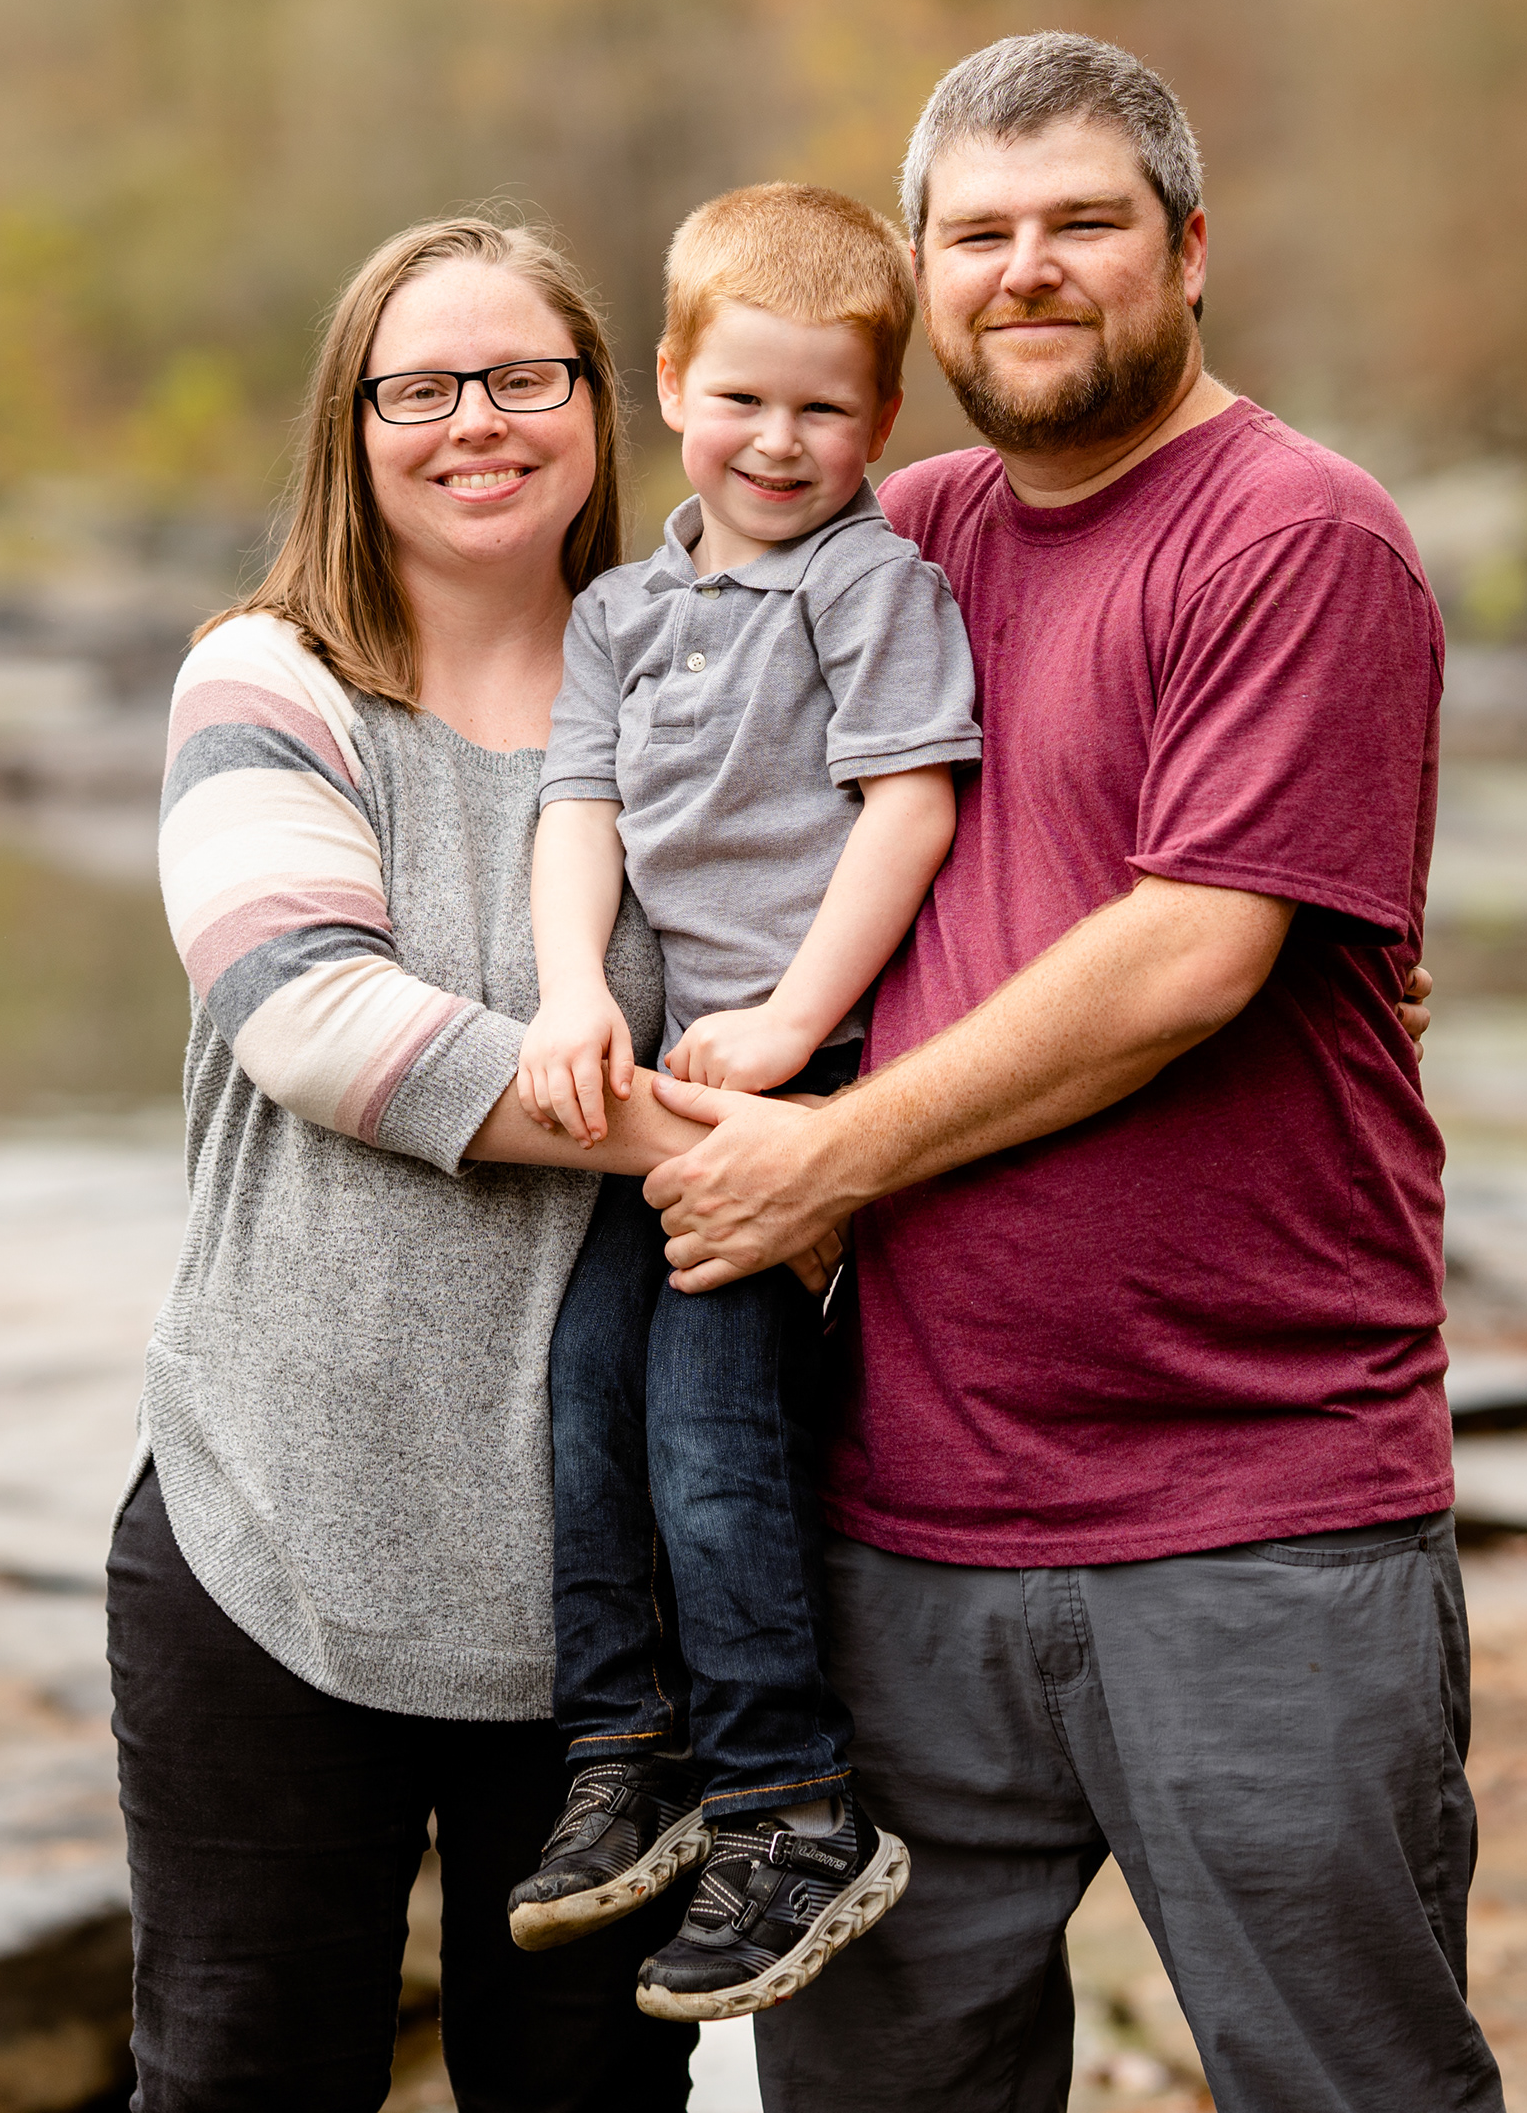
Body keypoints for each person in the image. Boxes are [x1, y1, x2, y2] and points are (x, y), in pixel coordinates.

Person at [642, 35, 1507, 2112]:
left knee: (1350, 2085)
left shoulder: (1297, 533)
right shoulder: (899, 538)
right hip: (898, 1522)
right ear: (921, 282)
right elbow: (653, 754)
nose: (1026, 269)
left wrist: (825, 1157)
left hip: (1256, 1517)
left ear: (1190, 250)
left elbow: (1190, 950)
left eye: (1083, 224)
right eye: (978, 235)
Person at [119, 215, 737, 2113]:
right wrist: (752, 1155)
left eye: (525, 377)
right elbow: (308, 1013)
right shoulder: (270, 678)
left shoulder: (696, 685)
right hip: (279, 1538)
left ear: (599, 406)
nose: (477, 421)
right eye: (421, 388)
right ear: (353, 425)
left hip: (617, 1609)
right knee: (243, 2082)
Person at [504, 184, 981, 2020]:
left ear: (883, 421)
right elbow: (581, 813)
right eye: (743, 401)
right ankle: (623, 1754)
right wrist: (569, 991)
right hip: (676, 1075)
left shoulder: (870, 586)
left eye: (824, 411)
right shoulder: (621, 612)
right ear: (670, 387)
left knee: (714, 1426)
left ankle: (791, 1802)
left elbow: (910, 811)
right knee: (584, 1395)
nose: (779, 444)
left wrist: (792, 1022)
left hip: (806, 1070)